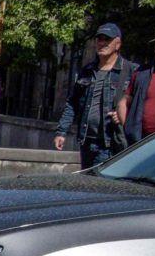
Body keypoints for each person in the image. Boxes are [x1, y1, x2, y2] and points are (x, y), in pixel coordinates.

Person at [53, 21, 136, 167]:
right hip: (86, 141)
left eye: (107, 40)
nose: (102, 43)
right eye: (99, 39)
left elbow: (140, 104)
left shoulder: (131, 71)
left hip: (111, 143)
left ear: (117, 44)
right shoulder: (87, 70)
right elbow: (73, 102)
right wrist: (61, 131)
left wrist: (125, 114)